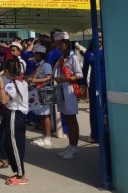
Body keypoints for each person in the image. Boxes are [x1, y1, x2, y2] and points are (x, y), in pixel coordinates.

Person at [0, 58, 30, 186]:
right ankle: (18, 171)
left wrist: (0, 84)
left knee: (14, 145)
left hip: (15, 114)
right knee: (12, 143)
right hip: (18, 115)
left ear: (8, 71)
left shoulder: (12, 84)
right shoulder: (22, 82)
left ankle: (21, 175)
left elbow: (4, 100)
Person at [53, 31, 84, 160]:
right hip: (63, 89)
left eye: (60, 44)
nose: (58, 47)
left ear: (66, 43)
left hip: (70, 90)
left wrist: (65, 79)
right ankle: (71, 145)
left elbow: (79, 74)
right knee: (67, 118)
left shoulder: (73, 58)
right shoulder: (63, 57)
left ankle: (74, 148)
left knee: (72, 119)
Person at [81, 31, 105, 143]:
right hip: (94, 82)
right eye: (97, 37)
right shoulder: (89, 52)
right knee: (95, 108)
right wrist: (82, 84)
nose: (99, 39)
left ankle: (106, 134)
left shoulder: (107, 50)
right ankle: (95, 134)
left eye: (100, 37)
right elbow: (85, 69)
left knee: (106, 108)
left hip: (107, 81)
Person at [27, 44, 54, 147]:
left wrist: (34, 80)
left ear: (39, 54)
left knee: (45, 115)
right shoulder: (39, 65)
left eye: (35, 54)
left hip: (45, 91)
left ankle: (48, 137)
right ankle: (44, 136)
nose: (34, 56)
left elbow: (48, 78)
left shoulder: (46, 65)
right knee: (41, 115)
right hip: (38, 91)